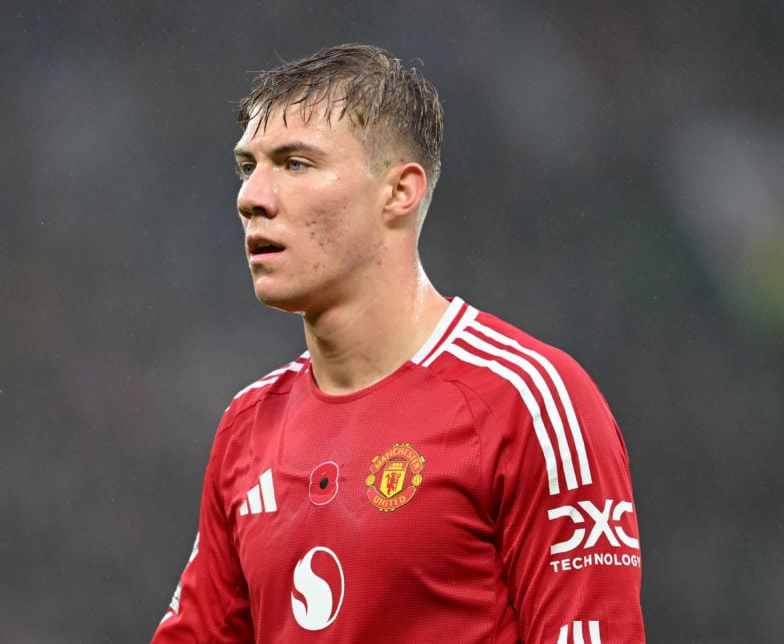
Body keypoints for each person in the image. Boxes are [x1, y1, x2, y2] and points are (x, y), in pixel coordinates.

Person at [152, 43, 644, 643]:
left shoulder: (529, 400)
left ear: (399, 192)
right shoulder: (247, 426)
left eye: (295, 163)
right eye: (247, 166)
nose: (251, 196)